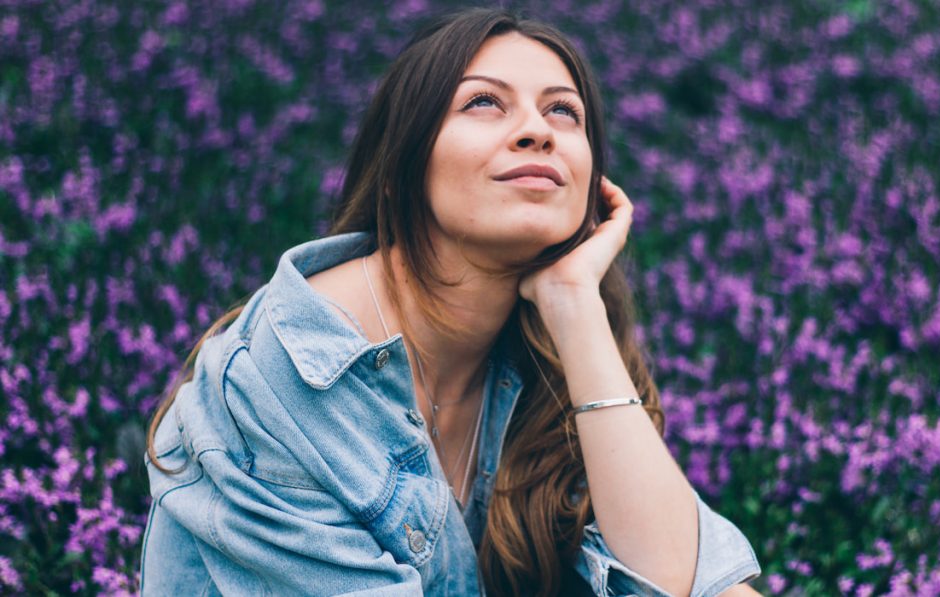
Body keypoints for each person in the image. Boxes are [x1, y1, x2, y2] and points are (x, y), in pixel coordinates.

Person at [140, 7, 762, 596]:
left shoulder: (543, 348)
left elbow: (683, 581)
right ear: (404, 164)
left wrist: (573, 302)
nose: (536, 131)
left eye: (564, 113)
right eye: (484, 102)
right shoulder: (278, 387)